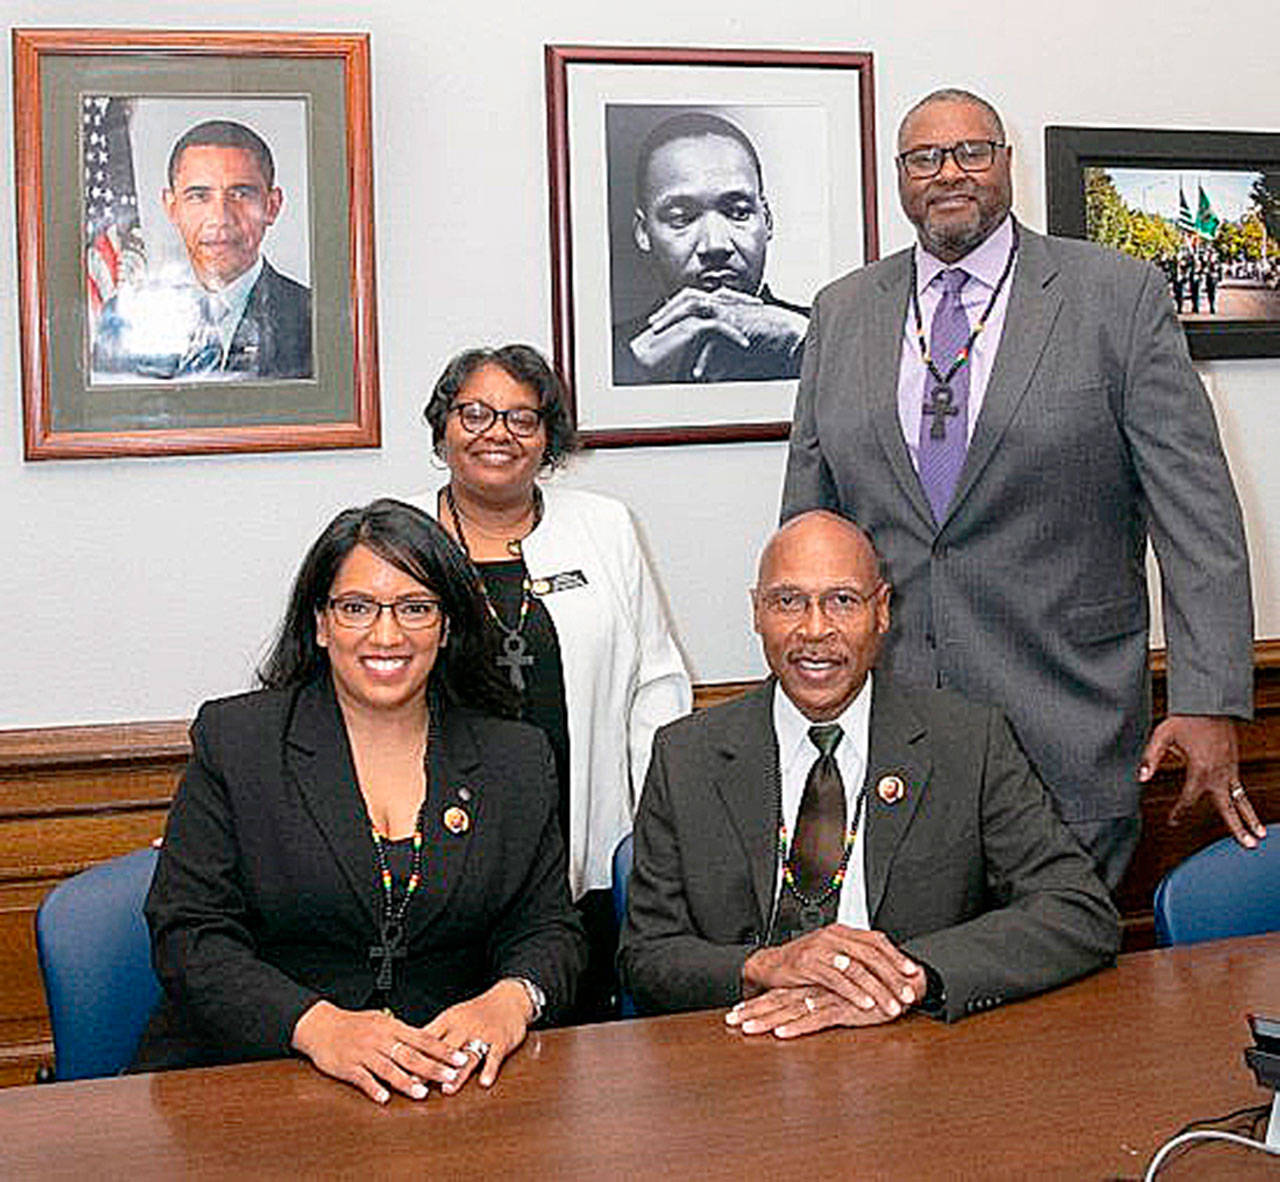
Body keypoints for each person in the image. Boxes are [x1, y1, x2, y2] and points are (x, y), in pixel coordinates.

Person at [781, 88, 1259, 888]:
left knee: (1060, 990)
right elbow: (809, 523)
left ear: (1007, 164)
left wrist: (1210, 700)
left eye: (972, 152)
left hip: (1067, 724)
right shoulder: (843, 312)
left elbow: (1198, 517)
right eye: (924, 158)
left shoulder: (1119, 297)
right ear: (900, 177)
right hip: (886, 728)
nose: (949, 174)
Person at [136, 500, 586, 1102]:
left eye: (416, 608)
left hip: (450, 1084)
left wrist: (512, 999)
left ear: (448, 626)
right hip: (255, 1077)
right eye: (356, 608)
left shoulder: (516, 757)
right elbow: (190, 935)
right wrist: (317, 1026)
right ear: (320, 623)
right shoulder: (238, 743)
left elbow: (550, 928)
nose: (387, 634)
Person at [619, 512, 1119, 1029]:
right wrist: (762, 967)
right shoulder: (686, 756)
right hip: (743, 1052)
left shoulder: (968, 742)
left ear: (882, 611)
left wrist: (907, 976)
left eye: (842, 601)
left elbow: (1077, 909)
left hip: (914, 1050)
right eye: (788, 601)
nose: (814, 630)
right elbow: (646, 957)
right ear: (757, 612)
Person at [414, 344, 691, 1019]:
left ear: (548, 438)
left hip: (580, 832)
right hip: (435, 849)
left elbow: (656, 684)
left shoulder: (605, 527)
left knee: (577, 1044)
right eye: (475, 413)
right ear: (443, 427)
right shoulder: (397, 531)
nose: (497, 434)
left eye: (522, 418)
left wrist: (660, 824)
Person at [93, 119, 312, 380]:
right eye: (199, 196)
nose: (220, 217)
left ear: (272, 206)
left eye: (240, 194)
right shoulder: (122, 317)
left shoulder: (313, 319)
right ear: (172, 207)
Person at [613, 111, 809, 385]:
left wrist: (806, 343)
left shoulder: (822, 336)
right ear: (644, 233)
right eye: (681, 218)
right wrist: (631, 369)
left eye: (738, 213)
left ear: (767, 220)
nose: (715, 245)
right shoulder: (611, 358)